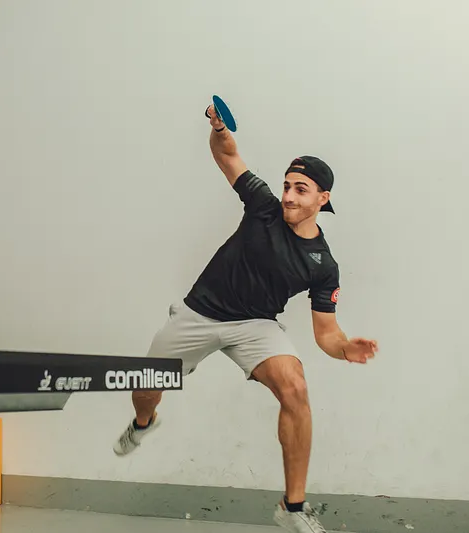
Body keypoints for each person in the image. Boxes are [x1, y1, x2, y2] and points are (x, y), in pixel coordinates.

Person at [112, 103, 379, 533]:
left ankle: (293, 507)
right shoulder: (263, 206)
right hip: (200, 313)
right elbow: (228, 154)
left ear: (322, 198)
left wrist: (345, 348)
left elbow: (327, 334)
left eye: (301, 189)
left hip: (255, 324)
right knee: (145, 388)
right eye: (287, 185)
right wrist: (219, 128)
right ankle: (144, 423)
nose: (289, 195)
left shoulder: (322, 265)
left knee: (295, 389)